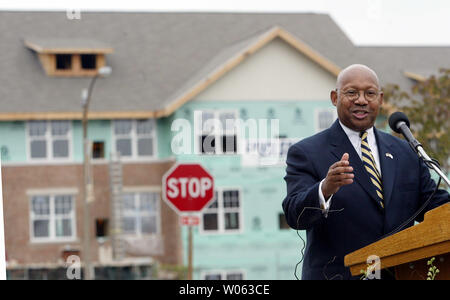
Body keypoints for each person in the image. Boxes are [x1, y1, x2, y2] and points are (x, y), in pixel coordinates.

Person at [282, 64, 449, 280]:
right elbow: (295, 215)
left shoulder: (405, 152)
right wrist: (325, 188)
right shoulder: (306, 152)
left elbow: (436, 207)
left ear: (380, 99)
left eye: (369, 93)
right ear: (335, 97)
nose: (361, 100)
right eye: (352, 93)